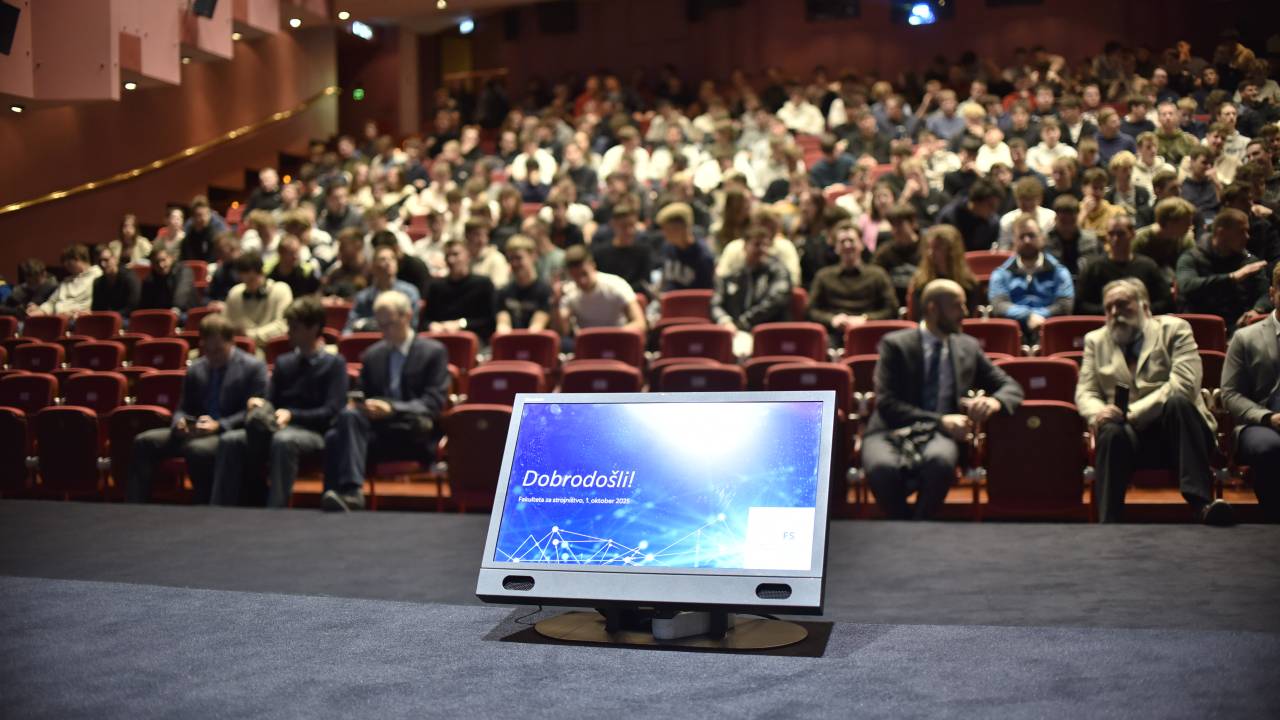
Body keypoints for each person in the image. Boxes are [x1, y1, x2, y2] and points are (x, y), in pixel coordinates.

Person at [862, 279, 1024, 520]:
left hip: (940, 435)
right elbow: (887, 403)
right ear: (932, 308)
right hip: (890, 429)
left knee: (939, 463)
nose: (965, 313)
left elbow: (1010, 387)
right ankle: (906, 527)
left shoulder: (968, 347)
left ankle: (917, 527)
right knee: (881, 469)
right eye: (957, 306)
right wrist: (940, 420)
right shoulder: (895, 344)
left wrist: (994, 402)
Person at [1075, 278, 1232, 525]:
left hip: (1180, 433)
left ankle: (1202, 505)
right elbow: (1085, 392)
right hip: (1131, 438)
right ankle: (1109, 522)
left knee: (1178, 403)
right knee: (1109, 430)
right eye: (1109, 307)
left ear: (1145, 306)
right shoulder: (1096, 340)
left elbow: (1184, 385)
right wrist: (1099, 412)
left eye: (1123, 304)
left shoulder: (1175, 330)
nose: (1115, 312)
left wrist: (1130, 413)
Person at [210, 297, 347, 508]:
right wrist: (260, 405)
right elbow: (272, 401)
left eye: (294, 327)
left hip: (313, 432)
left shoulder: (334, 364)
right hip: (276, 427)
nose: (288, 332)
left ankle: (274, 512)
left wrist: (292, 415)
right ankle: (221, 509)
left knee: (283, 441)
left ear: (313, 328)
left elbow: (332, 411)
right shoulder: (284, 362)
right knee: (230, 440)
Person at [323, 291, 450, 512]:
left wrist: (391, 408)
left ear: (407, 316)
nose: (384, 331)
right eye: (380, 325)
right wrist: (365, 406)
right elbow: (361, 394)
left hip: (413, 432)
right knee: (341, 427)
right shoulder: (372, 355)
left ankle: (345, 495)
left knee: (338, 435)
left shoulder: (433, 352)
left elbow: (432, 403)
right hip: (379, 432)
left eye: (389, 324)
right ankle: (349, 495)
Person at [126, 314, 268, 504]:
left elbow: (254, 412)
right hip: (195, 429)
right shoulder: (196, 368)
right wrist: (180, 423)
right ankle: (136, 506)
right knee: (144, 441)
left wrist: (218, 425)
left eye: (218, 350)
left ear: (231, 342)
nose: (213, 356)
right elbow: (183, 408)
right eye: (208, 350)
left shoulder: (253, 367)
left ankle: (203, 507)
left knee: (197, 450)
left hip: (227, 432)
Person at [1220, 264, 1280, 520]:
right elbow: (1230, 394)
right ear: (1272, 294)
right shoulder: (1245, 337)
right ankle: (1274, 520)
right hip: (1260, 424)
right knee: (1269, 448)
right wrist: (1269, 418)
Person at [1174, 208, 1271, 333]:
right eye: (1241, 232)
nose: (1247, 237)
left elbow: (1266, 293)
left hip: (1240, 327)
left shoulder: (1249, 261)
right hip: (1200, 328)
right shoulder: (1191, 258)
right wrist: (1232, 278)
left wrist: (1257, 310)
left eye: (1247, 231)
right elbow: (1187, 286)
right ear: (1221, 233)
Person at [807, 216, 899, 344]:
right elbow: (810, 310)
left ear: (861, 244)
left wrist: (865, 319)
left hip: (870, 332)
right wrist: (832, 319)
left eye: (851, 240)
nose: (847, 245)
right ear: (836, 247)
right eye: (842, 241)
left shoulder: (877, 275)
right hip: (834, 334)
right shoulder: (823, 276)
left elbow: (892, 309)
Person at [988, 215, 1075, 342]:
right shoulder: (1001, 273)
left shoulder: (1059, 271)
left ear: (1042, 238)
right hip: (1012, 335)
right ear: (1014, 241)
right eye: (1021, 237)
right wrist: (1028, 316)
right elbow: (999, 306)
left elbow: (1064, 306)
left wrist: (1039, 316)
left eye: (1031, 235)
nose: (1027, 240)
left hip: (1051, 332)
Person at [711, 223, 792, 356]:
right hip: (737, 333)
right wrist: (725, 321)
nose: (762, 250)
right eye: (757, 244)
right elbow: (716, 303)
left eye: (766, 245)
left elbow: (775, 301)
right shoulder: (734, 274)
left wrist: (743, 322)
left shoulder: (779, 272)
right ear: (745, 246)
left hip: (769, 333)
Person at [1076, 215, 1175, 315]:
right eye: (1111, 234)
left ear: (1132, 234)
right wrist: (1111, 310)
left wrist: (1139, 311)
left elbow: (1166, 302)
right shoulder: (1094, 267)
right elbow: (1080, 305)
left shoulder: (1147, 266)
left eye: (1121, 234)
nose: (1115, 239)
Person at [552, 245, 646, 347]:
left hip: (618, 342)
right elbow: (562, 331)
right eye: (575, 276)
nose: (581, 281)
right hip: (588, 345)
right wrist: (556, 303)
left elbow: (640, 323)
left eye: (584, 274)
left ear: (593, 266)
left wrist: (608, 337)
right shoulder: (569, 292)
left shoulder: (616, 285)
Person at [423, 240, 497, 339]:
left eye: (455, 254)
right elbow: (425, 320)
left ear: (468, 256)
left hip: (473, 338)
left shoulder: (483, 284)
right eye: (447, 256)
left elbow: (489, 321)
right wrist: (432, 325)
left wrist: (461, 324)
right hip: (440, 337)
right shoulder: (436, 286)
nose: (451, 260)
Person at [906, 224, 982, 319]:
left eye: (937, 248)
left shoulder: (969, 285)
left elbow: (969, 318)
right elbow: (916, 319)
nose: (931, 253)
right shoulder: (920, 283)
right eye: (929, 247)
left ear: (952, 252)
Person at [346, 245, 421, 334]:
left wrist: (367, 324)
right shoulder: (363, 297)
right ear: (373, 266)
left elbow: (412, 326)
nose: (388, 263)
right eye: (383, 259)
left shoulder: (409, 293)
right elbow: (349, 329)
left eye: (392, 259)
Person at [225, 252, 293, 348]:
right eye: (246, 279)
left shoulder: (281, 290)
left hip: (270, 347)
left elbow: (282, 326)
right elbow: (226, 326)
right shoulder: (235, 293)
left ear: (262, 272)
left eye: (253, 279)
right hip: (241, 348)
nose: (250, 283)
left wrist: (249, 335)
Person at [495, 236, 552, 333]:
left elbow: (537, 327)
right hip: (510, 340)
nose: (514, 263)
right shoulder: (504, 292)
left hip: (535, 340)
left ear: (533, 256)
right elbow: (502, 326)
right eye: (511, 259)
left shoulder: (545, 290)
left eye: (518, 258)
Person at [28, 245, 102, 318]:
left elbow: (94, 306)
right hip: (58, 318)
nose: (65, 265)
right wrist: (39, 311)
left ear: (78, 258)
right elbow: (51, 303)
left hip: (80, 319)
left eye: (68, 261)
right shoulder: (67, 281)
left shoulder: (97, 276)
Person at [1134, 197, 1197, 282]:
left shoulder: (1185, 240)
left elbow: (1190, 268)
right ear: (1170, 223)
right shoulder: (1140, 240)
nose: (1190, 225)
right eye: (1186, 222)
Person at [657, 202, 716, 292]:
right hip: (667, 297)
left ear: (682, 228)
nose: (665, 234)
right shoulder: (668, 247)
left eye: (668, 230)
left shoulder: (703, 257)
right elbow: (665, 279)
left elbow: (706, 294)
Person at [871, 203, 922, 305]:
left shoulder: (927, 247)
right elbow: (874, 276)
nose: (895, 230)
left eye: (900, 224)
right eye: (893, 225)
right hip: (893, 299)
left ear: (913, 224)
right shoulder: (884, 251)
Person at [1044, 195, 1103, 278]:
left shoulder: (1092, 241)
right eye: (1063, 221)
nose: (1068, 226)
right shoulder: (1045, 242)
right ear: (1055, 218)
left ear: (1078, 217)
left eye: (1072, 221)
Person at [936, 178, 1002, 252]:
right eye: (991, 205)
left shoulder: (993, 222)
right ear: (977, 201)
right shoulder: (949, 216)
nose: (993, 210)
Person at [998, 177, 1056, 248]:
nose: (1027, 204)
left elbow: (1052, 245)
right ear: (1016, 200)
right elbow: (1004, 248)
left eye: (1030, 199)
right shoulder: (1007, 220)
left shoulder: (1050, 217)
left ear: (1040, 199)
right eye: (1023, 200)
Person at [138, 245, 196, 313]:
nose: (161, 265)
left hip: (185, 312)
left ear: (171, 258)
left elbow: (182, 293)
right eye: (156, 262)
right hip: (161, 314)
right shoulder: (149, 279)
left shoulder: (184, 271)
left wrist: (175, 309)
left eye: (163, 260)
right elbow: (145, 304)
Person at [91, 245, 141, 317]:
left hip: (126, 318)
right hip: (106, 319)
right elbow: (96, 309)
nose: (102, 264)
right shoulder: (98, 282)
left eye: (106, 260)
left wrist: (113, 317)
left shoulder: (129, 277)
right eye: (99, 261)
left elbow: (133, 305)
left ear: (115, 259)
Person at [266, 234, 321, 299]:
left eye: (297, 252)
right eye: (291, 253)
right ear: (281, 254)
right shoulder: (269, 273)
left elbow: (315, 295)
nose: (295, 256)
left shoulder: (306, 273)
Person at [182, 195, 229, 263]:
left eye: (206, 214)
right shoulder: (189, 226)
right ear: (193, 217)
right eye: (199, 215)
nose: (203, 218)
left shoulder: (218, 226)